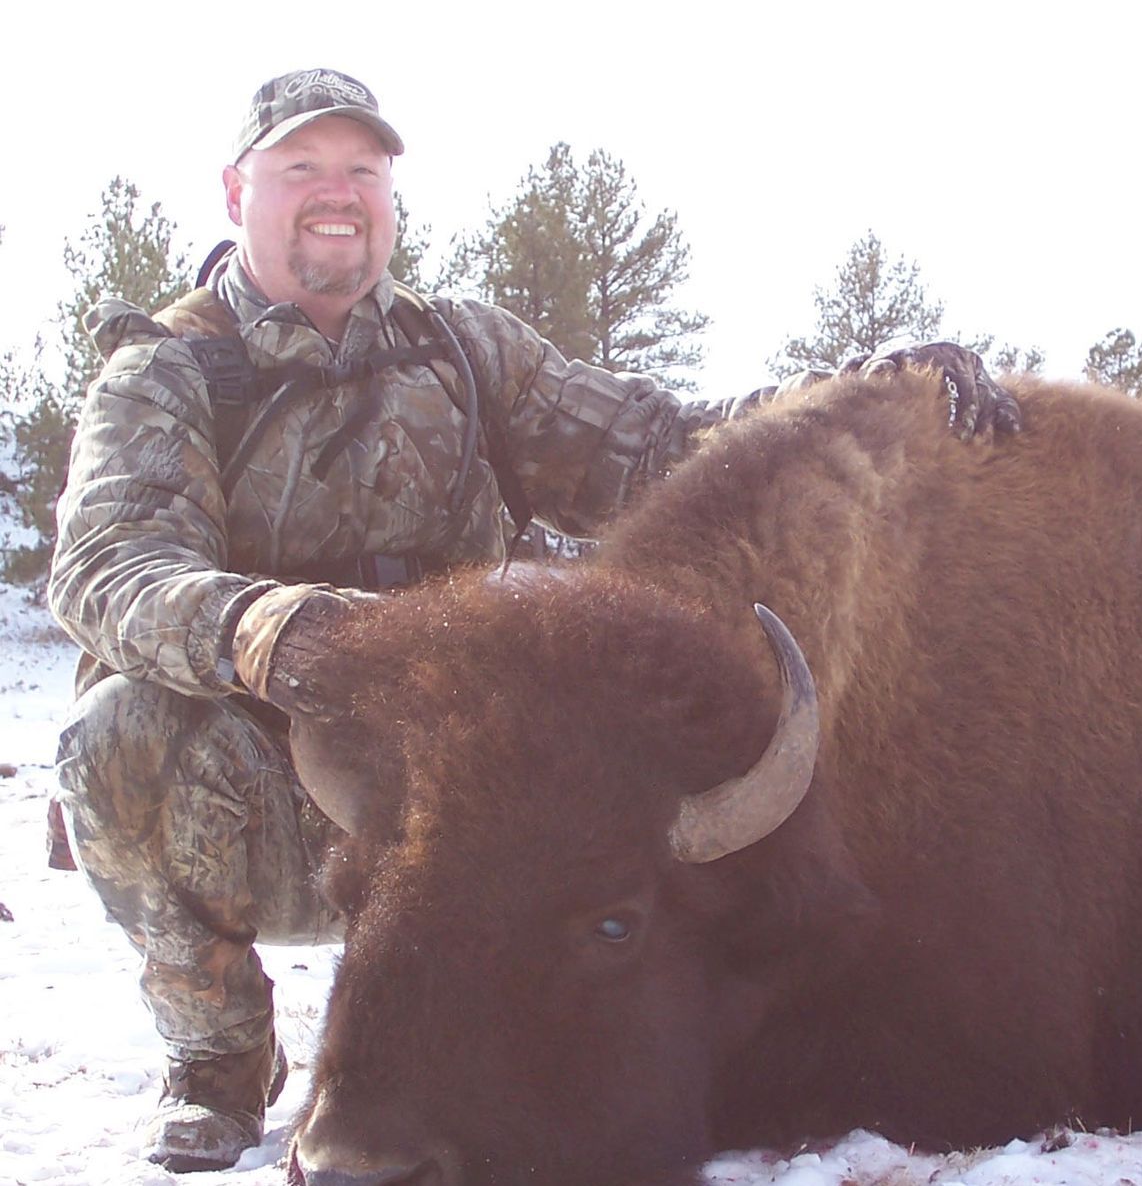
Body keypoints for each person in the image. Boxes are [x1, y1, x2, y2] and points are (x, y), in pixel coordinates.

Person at [47, 68, 1020, 1173]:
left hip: (454, 788)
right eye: (301, 168)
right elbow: (108, 567)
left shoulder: (463, 350)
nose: (337, 192)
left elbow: (661, 444)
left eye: (361, 169)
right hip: (271, 780)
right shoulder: (165, 371)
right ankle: (219, 1057)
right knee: (115, 734)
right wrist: (281, 632)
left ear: (389, 194)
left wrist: (856, 391)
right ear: (236, 192)